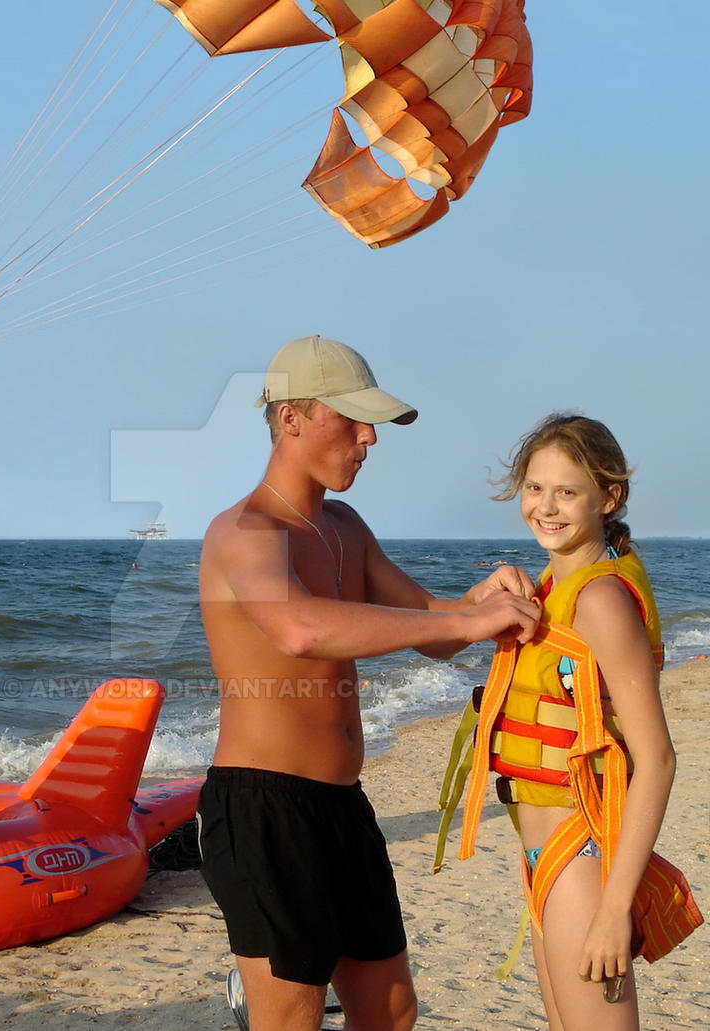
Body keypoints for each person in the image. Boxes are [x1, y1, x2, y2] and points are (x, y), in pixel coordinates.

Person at [197, 334, 542, 1031]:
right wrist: (469, 623)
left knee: (391, 1011)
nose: (369, 438)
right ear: (291, 416)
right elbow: (299, 629)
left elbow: (428, 624)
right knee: (292, 1019)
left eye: (372, 422)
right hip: (264, 809)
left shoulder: (344, 525)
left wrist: (481, 604)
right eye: (350, 419)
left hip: (343, 806)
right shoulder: (245, 530)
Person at [438, 414, 702, 1031]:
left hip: (583, 850)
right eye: (535, 488)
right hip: (544, 855)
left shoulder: (601, 599)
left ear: (608, 497)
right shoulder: (554, 587)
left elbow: (657, 759)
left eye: (567, 491)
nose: (546, 507)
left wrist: (614, 910)